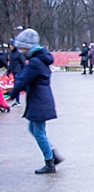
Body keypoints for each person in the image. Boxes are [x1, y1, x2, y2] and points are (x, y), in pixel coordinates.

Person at [6, 28, 64, 174]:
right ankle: (52, 155)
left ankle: (50, 162)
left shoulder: (35, 62)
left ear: (29, 46)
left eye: (22, 47)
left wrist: (12, 93)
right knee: (34, 129)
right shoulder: (40, 60)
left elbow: (22, 80)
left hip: (39, 101)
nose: (20, 50)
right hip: (40, 100)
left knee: (38, 132)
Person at [7, 39, 26, 107]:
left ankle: (17, 101)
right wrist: (8, 71)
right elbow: (11, 63)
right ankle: (17, 100)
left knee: (17, 86)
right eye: (9, 45)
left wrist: (25, 72)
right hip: (14, 72)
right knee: (17, 86)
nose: (10, 46)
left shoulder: (19, 53)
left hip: (19, 72)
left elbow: (23, 63)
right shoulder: (11, 53)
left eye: (11, 45)